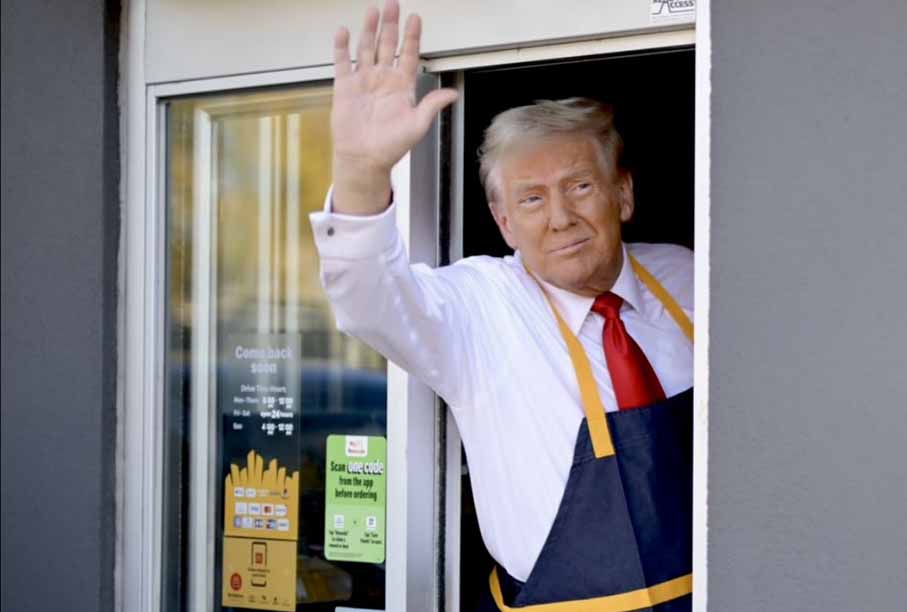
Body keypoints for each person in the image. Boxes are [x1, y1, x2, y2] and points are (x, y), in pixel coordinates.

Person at [310, 1, 694, 609]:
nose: (560, 217)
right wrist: (361, 169)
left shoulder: (687, 277)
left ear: (622, 194)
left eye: (579, 186)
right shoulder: (478, 306)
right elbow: (366, 297)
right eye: (532, 199)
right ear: (504, 221)